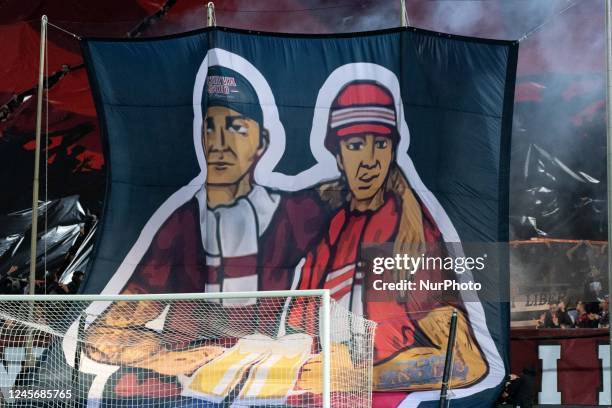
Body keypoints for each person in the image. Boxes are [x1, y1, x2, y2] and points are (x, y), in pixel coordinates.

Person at [84, 65, 327, 397]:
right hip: (190, 384)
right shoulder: (183, 222)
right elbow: (101, 336)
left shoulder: (299, 213)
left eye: (236, 127)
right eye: (210, 128)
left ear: (262, 140)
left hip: (261, 379)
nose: (220, 143)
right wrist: (162, 356)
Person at [289, 80, 487, 393]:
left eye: (380, 144)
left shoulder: (412, 233)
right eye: (355, 145)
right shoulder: (334, 228)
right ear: (338, 155)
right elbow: (297, 326)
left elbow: (465, 361)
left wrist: (358, 377)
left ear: (393, 150)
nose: (369, 160)